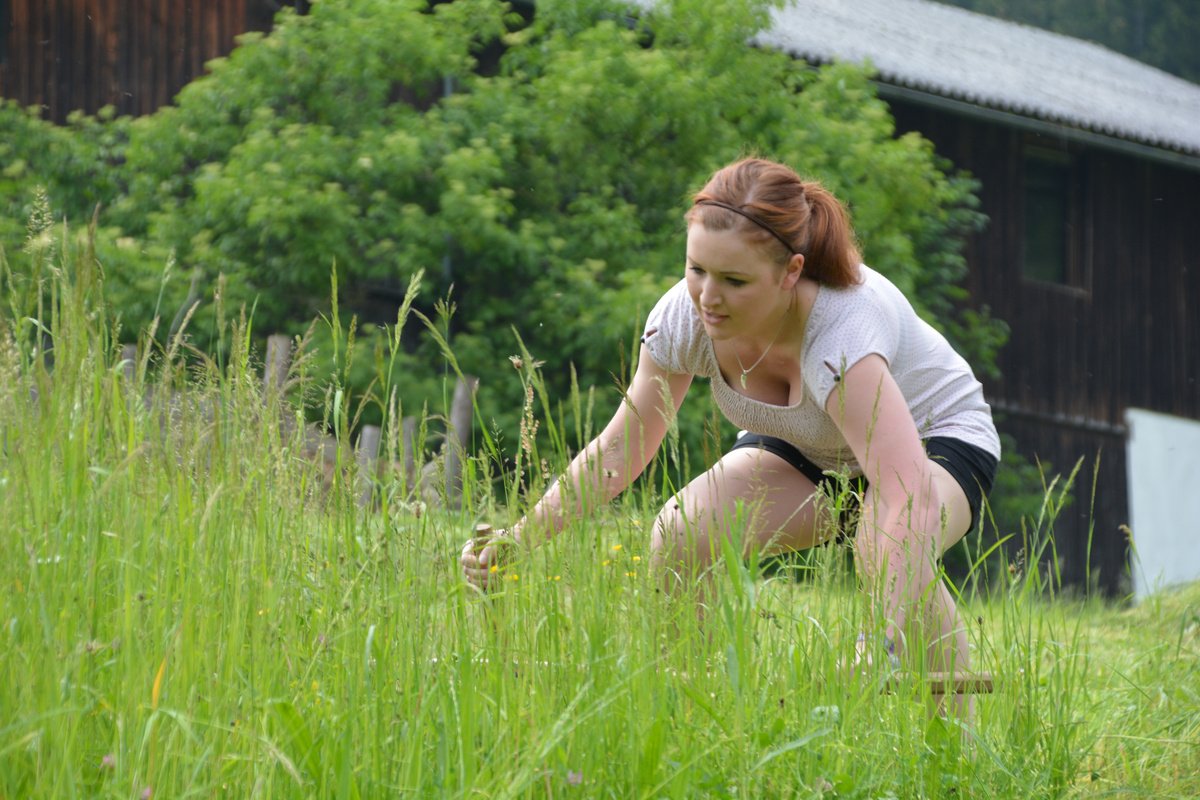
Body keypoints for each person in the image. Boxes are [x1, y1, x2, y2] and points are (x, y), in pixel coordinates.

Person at [461, 156, 1000, 710]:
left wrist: (879, 643)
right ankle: (689, 715)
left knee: (880, 542)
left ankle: (952, 745)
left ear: (791, 272)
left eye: (734, 281)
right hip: (808, 444)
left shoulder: (843, 337)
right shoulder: (684, 318)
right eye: (696, 270)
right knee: (681, 531)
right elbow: (623, 446)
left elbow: (906, 494)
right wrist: (520, 538)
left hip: (933, 440)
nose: (707, 298)